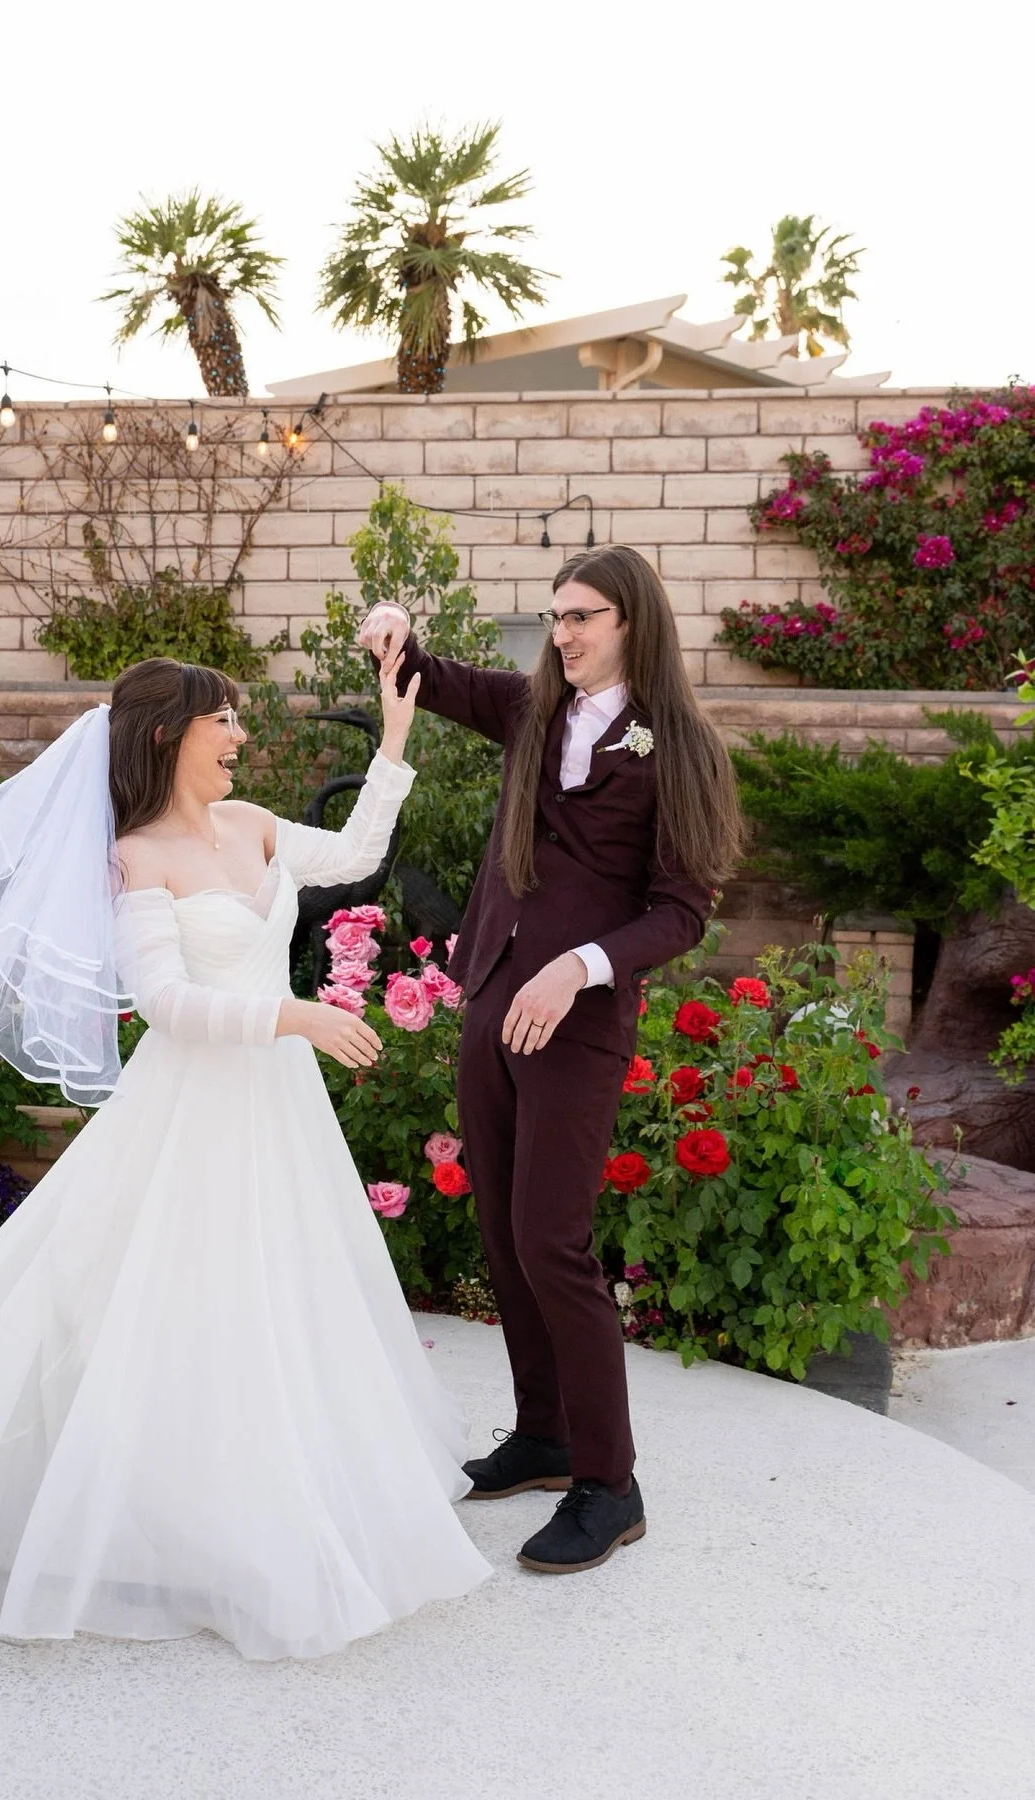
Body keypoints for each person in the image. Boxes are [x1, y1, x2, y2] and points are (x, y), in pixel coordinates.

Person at [0, 655, 490, 1661]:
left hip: (276, 1106)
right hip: (194, 1108)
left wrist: (396, 739)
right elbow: (167, 1005)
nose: (238, 736)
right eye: (221, 721)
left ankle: (257, 1488)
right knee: (161, 1300)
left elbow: (358, 849)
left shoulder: (256, 824)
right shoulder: (138, 856)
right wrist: (295, 1014)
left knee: (277, 1295)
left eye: (236, 720)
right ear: (165, 737)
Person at [358, 545, 742, 1576]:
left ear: (632, 624)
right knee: (501, 1228)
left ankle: (610, 1484)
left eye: (583, 618)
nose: (563, 634)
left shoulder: (681, 749)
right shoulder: (534, 712)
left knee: (554, 1240)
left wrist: (579, 968)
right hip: (492, 996)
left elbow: (682, 912)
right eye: (556, 616)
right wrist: (391, 618)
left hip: (576, 1018)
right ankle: (544, 1434)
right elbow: (423, 673)